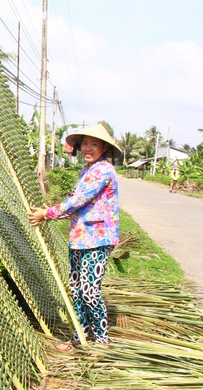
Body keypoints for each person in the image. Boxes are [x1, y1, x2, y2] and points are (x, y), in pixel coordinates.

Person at [28, 124, 122, 352]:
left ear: (104, 147)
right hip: (80, 238)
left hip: (98, 240)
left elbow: (78, 200)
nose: (88, 149)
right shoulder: (86, 171)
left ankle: (101, 342)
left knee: (90, 291)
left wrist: (47, 214)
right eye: (85, 144)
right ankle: (79, 337)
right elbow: (79, 205)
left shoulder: (103, 170)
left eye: (94, 144)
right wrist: (50, 211)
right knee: (77, 290)